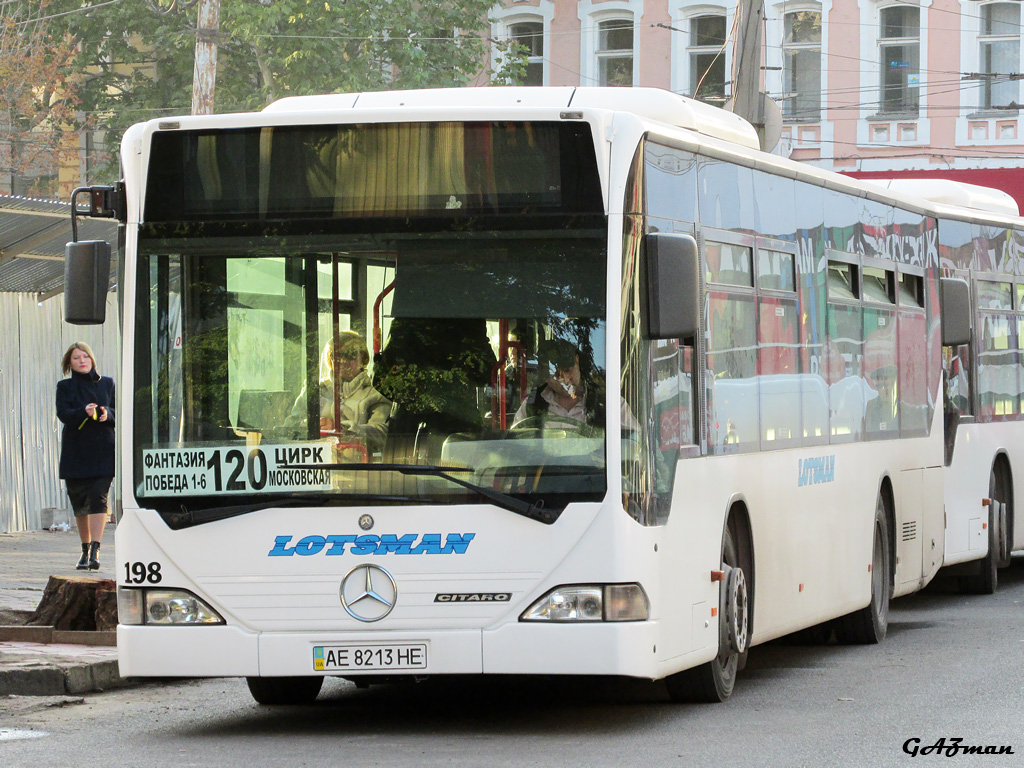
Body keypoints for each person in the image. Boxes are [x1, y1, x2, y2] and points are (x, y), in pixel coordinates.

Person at [56, 342, 115, 571]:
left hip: (102, 450)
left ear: (92, 359)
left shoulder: (107, 384)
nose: (82, 361)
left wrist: (107, 414)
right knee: (80, 501)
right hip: (76, 451)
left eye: (85, 357)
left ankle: (96, 549)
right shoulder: (64, 387)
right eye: (76, 358)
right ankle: (84, 548)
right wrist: (84, 412)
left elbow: (121, 412)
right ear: (69, 363)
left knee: (98, 498)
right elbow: (63, 414)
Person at [285, 331, 391, 457]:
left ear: (363, 358)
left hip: (357, 469)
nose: (343, 361)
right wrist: (311, 425)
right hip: (314, 466)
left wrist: (341, 429)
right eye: (336, 355)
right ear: (329, 360)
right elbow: (289, 428)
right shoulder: (314, 391)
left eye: (351, 355)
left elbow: (383, 434)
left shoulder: (376, 394)